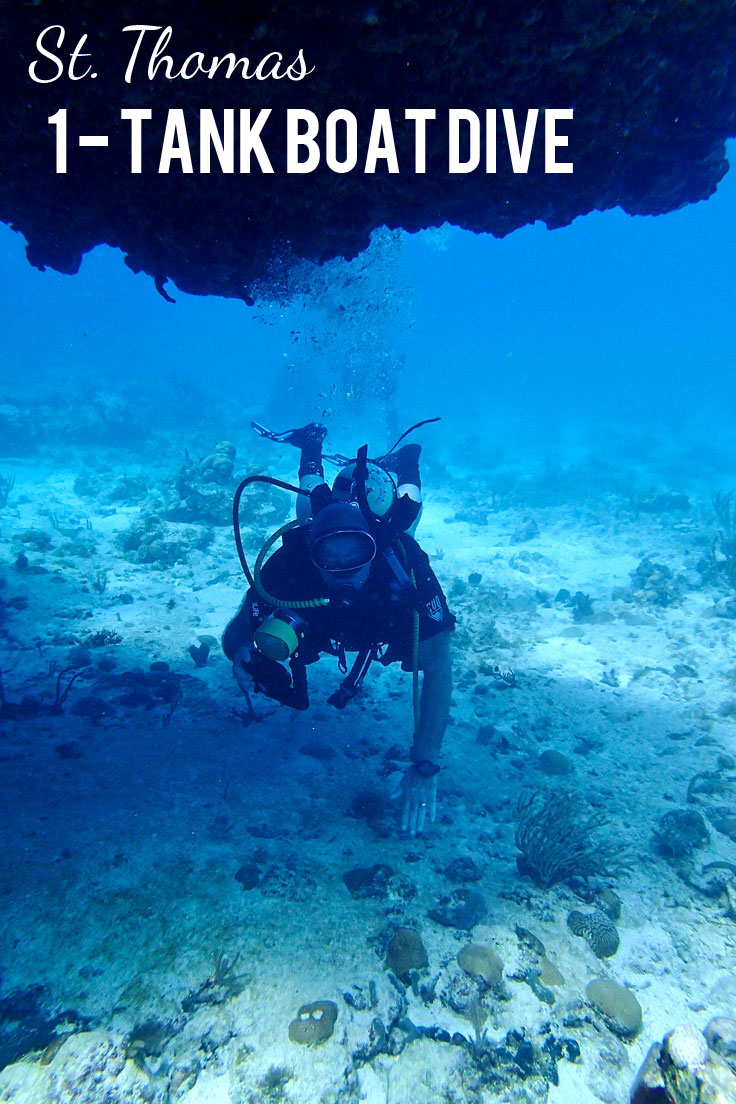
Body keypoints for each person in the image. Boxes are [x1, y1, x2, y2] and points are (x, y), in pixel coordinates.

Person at [222, 422, 454, 836]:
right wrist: (238, 651)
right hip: (319, 520)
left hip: (382, 513)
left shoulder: (401, 563)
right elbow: (237, 630)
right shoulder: (292, 563)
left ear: (374, 547)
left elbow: (439, 664)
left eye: (358, 554)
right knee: (310, 505)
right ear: (313, 553)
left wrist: (425, 761)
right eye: (331, 556)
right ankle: (311, 445)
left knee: (406, 509)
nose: (346, 571)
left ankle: (407, 463)